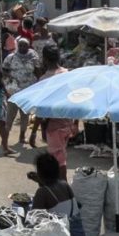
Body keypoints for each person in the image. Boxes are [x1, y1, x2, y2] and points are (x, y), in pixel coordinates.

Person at [29, 153, 87, 236]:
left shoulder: (42, 192)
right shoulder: (65, 185)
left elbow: (32, 221)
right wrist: (40, 180)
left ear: (40, 173)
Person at [38, 45, 75, 178]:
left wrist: (37, 129)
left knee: (58, 159)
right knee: (61, 154)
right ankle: (61, 185)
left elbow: (41, 108)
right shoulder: (68, 74)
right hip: (68, 121)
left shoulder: (44, 79)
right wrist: (75, 123)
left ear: (44, 59)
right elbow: (75, 98)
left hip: (53, 124)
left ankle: (62, 186)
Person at [3, 38, 40, 145]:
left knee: (25, 115)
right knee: (10, 115)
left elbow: (38, 72)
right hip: (14, 93)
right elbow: (4, 71)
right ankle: (5, 140)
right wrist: (8, 85)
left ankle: (22, 137)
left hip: (28, 92)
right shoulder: (10, 58)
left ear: (29, 46)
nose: (23, 48)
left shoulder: (33, 58)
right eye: (21, 46)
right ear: (18, 46)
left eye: (25, 46)